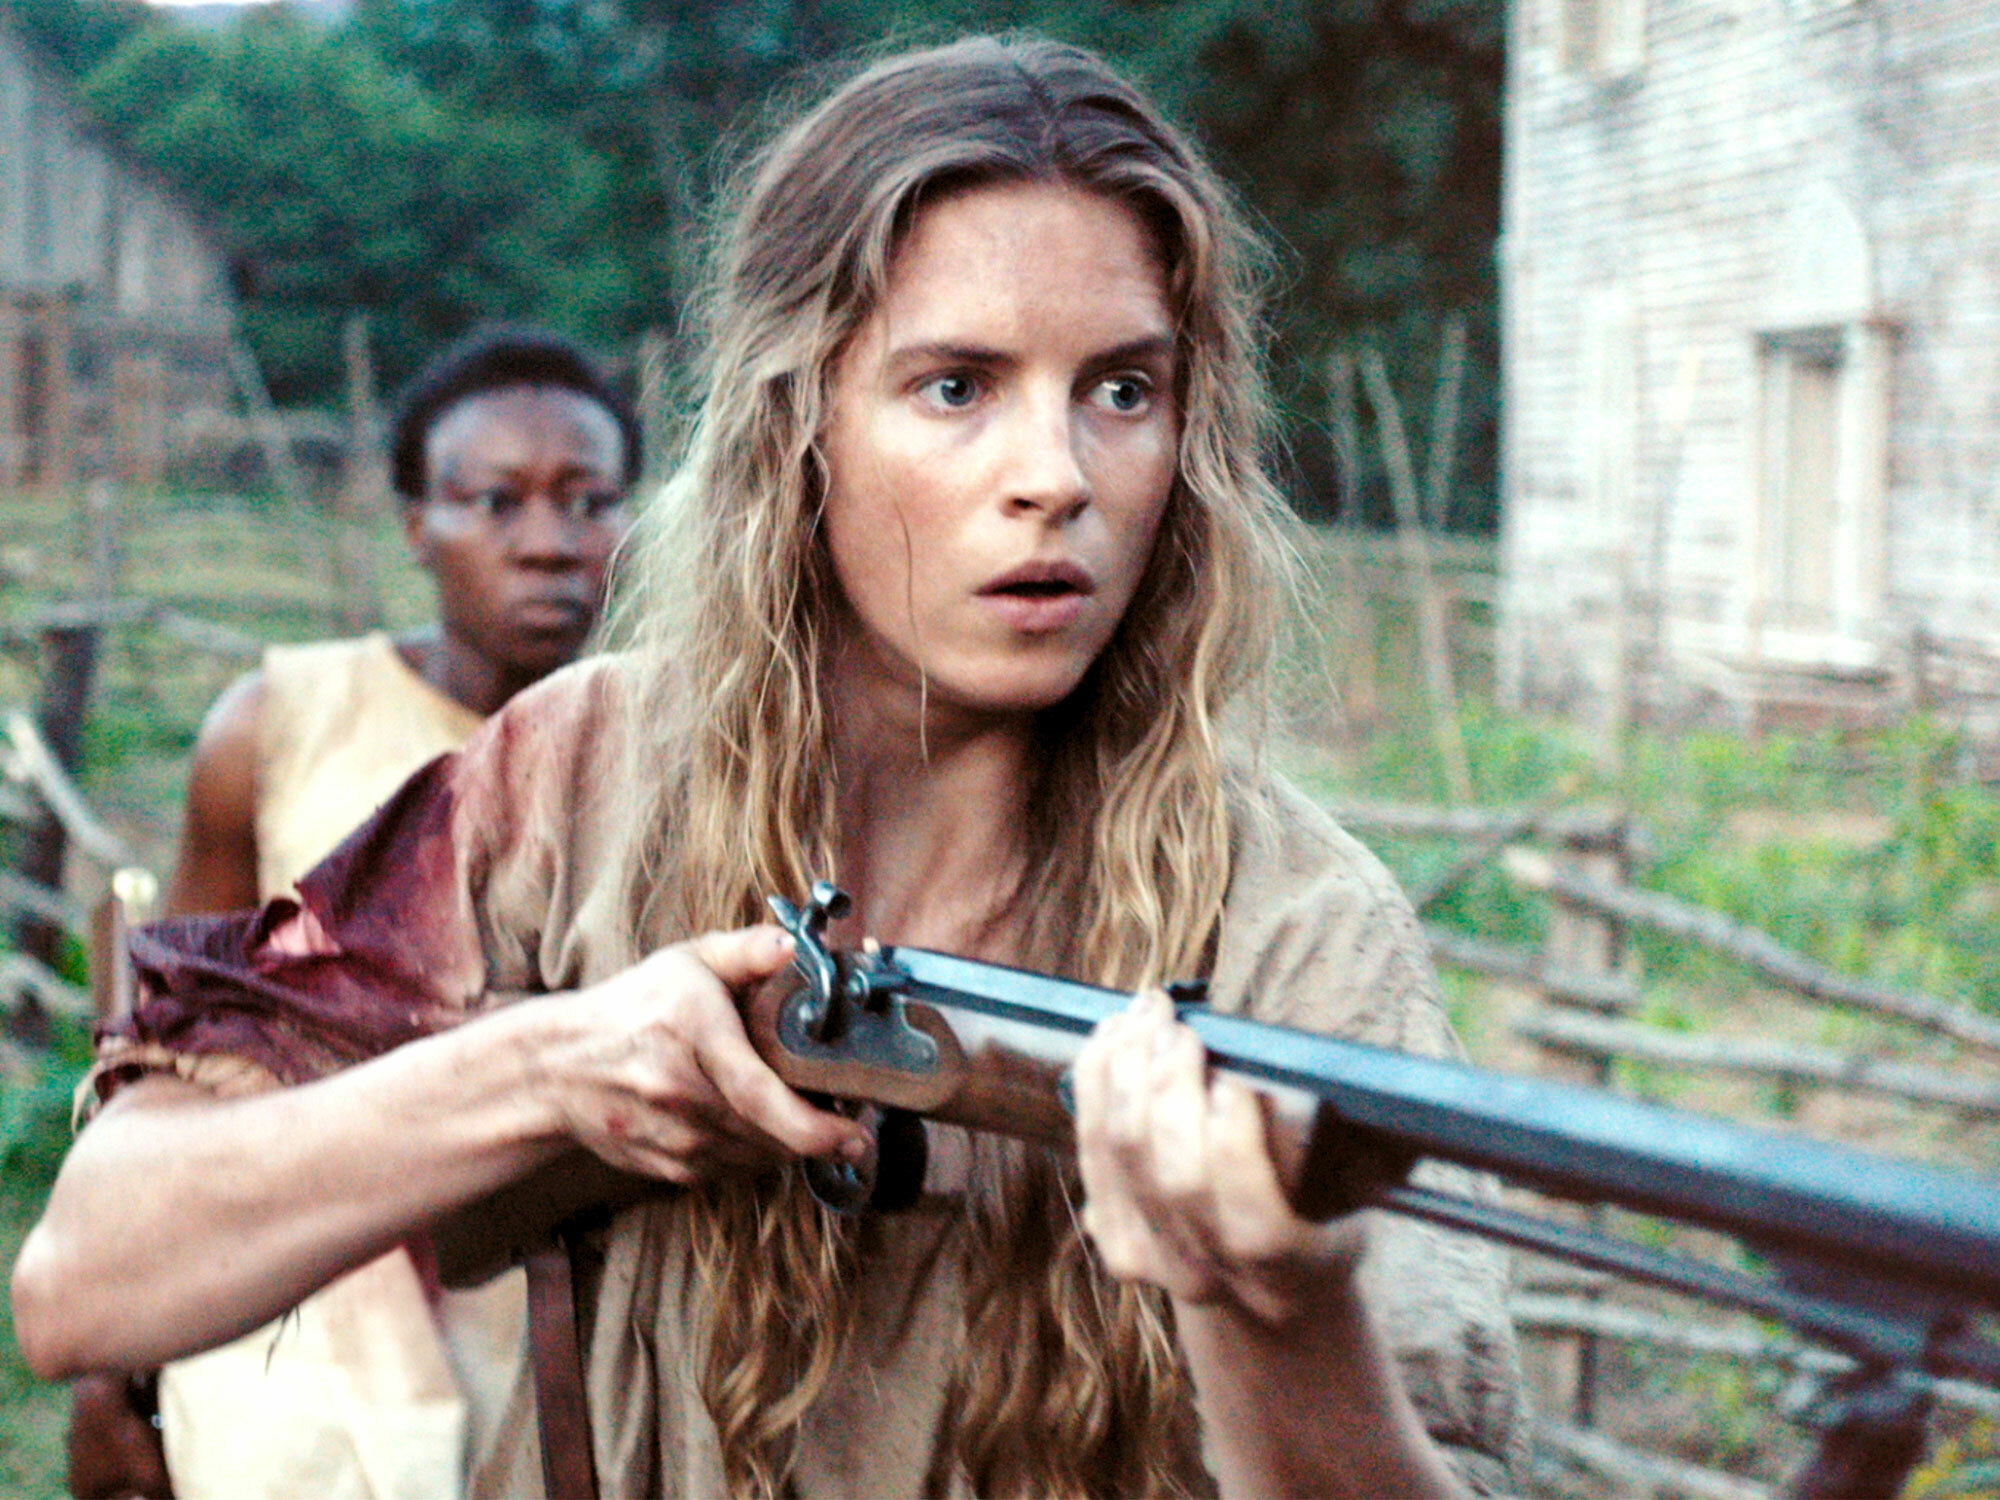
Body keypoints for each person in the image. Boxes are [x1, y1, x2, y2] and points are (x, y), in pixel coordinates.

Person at [19, 37, 1522, 1499]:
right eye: (957, 387)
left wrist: (1275, 1312)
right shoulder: (579, 775)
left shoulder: (1299, 926)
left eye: (1122, 389)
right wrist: (550, 1071)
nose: (1057, 474)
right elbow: (86, 1283)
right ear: (799, 420)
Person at [61, 326, 637, 1499]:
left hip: (559, 1302)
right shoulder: (277, 723)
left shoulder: (677, 749)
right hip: (297, 1290)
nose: (548, 545)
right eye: (493, 502)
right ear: (417, 523)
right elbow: (162, 1048)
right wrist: (117, 1364)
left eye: (588, 500)